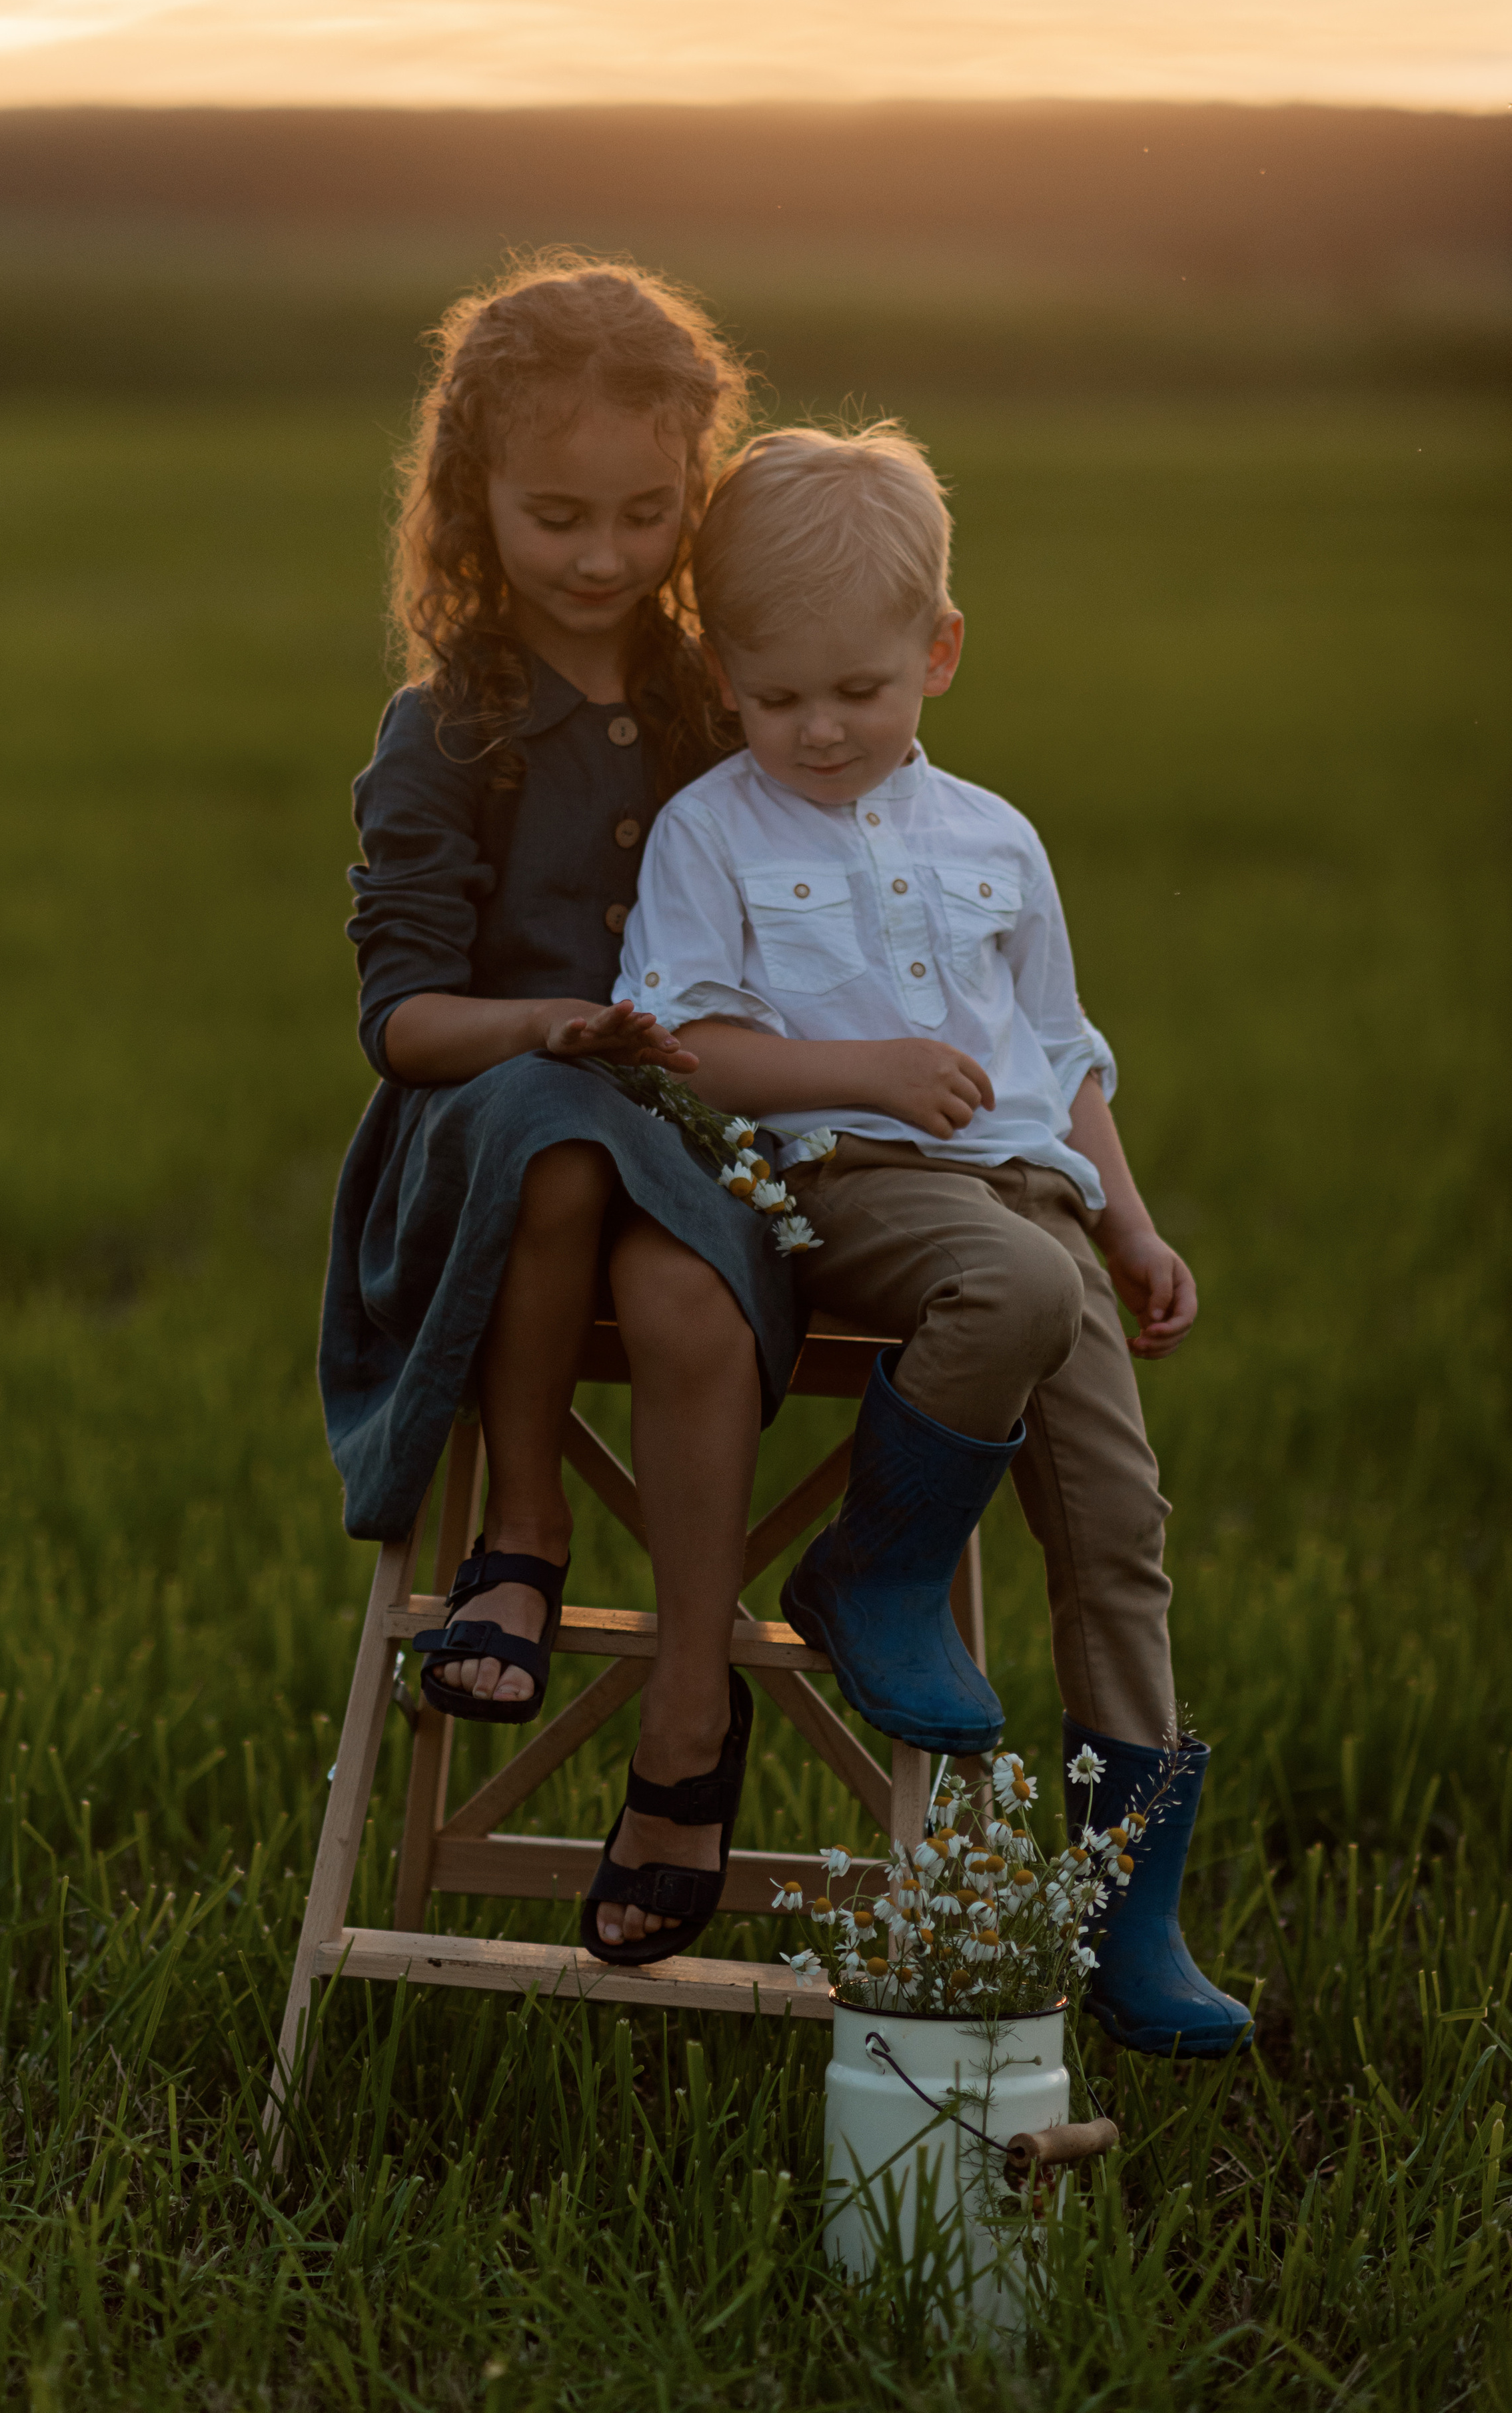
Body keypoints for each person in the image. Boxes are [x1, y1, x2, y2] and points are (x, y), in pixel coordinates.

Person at [614, 424, 1253, 2055]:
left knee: (1119, 1539)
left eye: (858, 691)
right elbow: (675, 1035)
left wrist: (1128, 1217)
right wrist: (857, 1070)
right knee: (1006, 1278)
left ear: (937, 654)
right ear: (719, 672)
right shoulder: (712, 834)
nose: (818, 731)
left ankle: (1129, 1918)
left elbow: (1056, 1054)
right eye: (774, 700)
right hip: (857, 1185)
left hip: (1034, 1200)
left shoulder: (994, 838)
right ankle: (874, 1571)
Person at [319, 258, 800, 1966]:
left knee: (678, 1281)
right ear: (475, 500)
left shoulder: (714, 700)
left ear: (693, 492)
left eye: (645, 515)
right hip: (478, 1139)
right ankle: (519, 1529)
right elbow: (404, 1026)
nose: (603, 557)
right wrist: (552, 1021)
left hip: (686, 1138)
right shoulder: (442, 728)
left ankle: (688, 1724)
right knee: (553, 1117)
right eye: (555, 517)